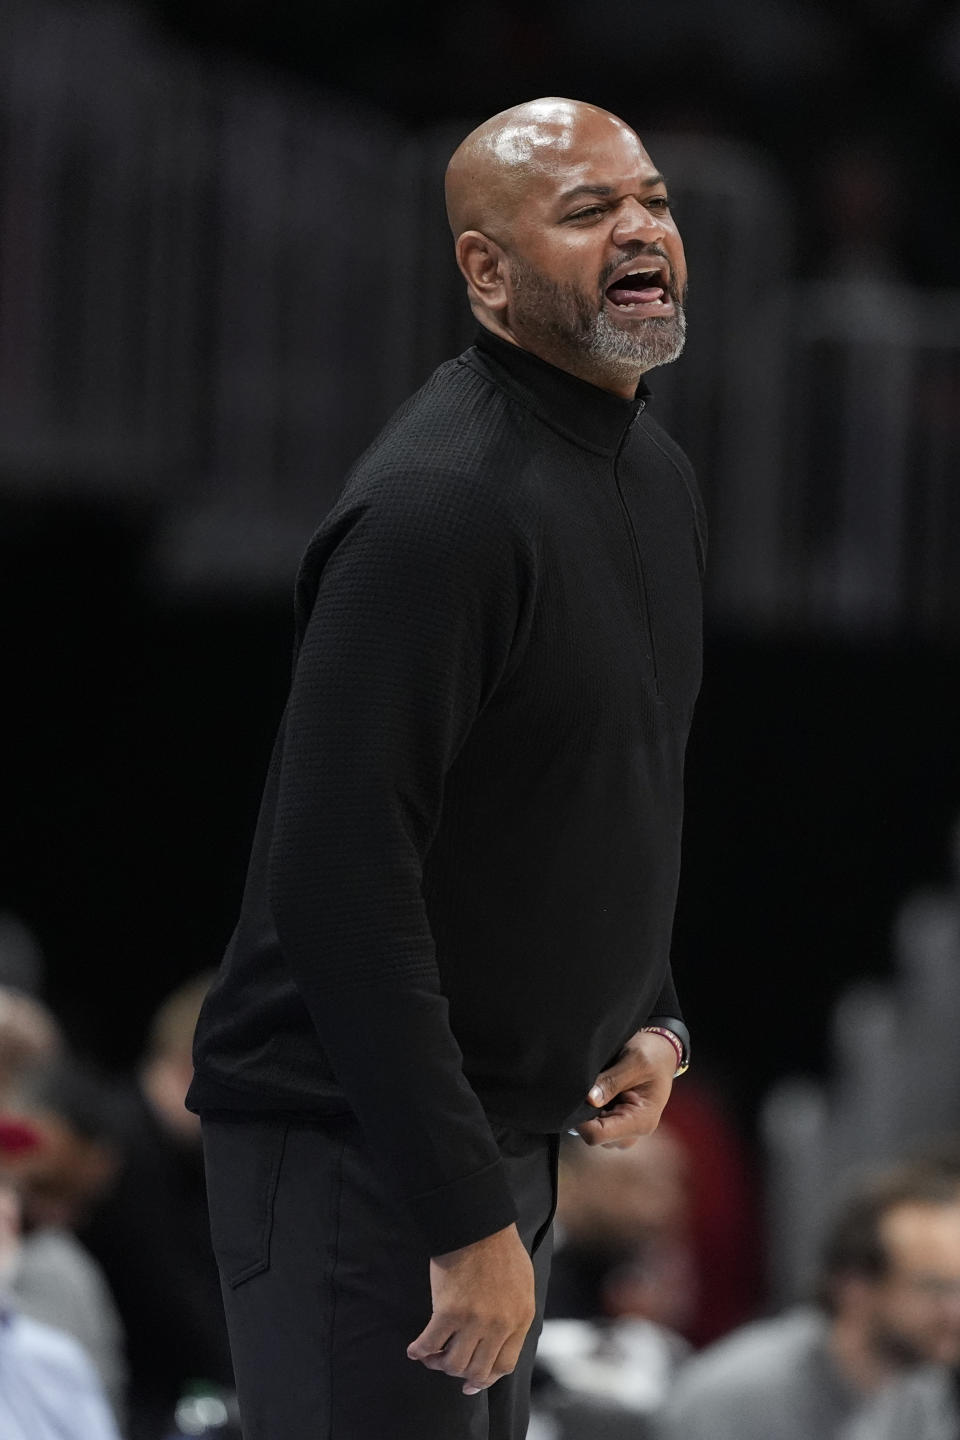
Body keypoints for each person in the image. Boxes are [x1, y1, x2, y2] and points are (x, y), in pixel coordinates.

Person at [188, 94, 704, 1440]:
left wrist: (649, 1017)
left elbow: (608, 786)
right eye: (588, 212)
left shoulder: (650, 471)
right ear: (487, 272)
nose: (640, 229)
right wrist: (459, 1209)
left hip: (498, 1131)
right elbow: (337, 877)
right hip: (359, 1143)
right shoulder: (441, 506)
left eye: (649, 199)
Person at [655, 1165, 960, 1440]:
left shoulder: (919, 1383)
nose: (954, 1313)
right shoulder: (739, 1397)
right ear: (855, 1289)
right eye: (933, 1289)